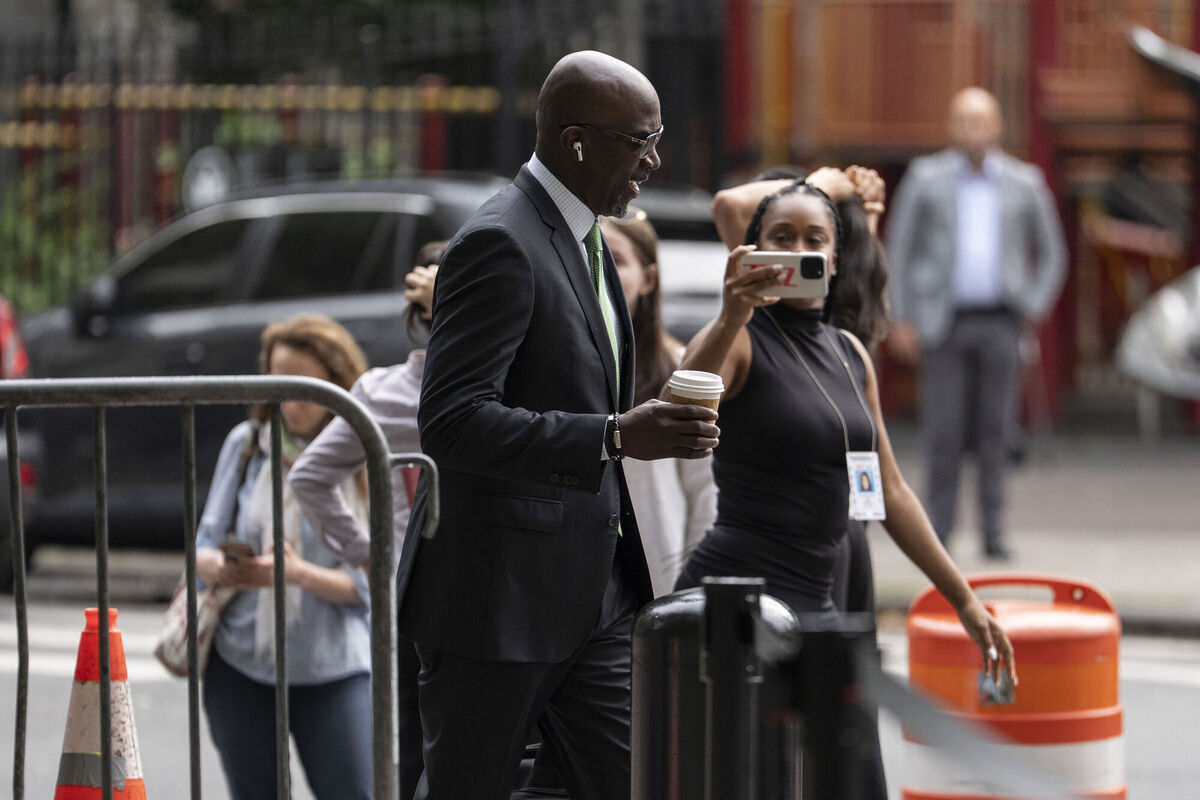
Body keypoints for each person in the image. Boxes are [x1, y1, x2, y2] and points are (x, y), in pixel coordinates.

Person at [398, 50, 720, 800]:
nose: (655, 157)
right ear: (578, 142)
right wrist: (612, 434)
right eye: (641, 138)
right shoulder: (499, 241)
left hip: (595, 597)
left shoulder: (589, 235)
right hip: (496, 600)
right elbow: (451, 421)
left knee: (635, 782)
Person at [672, 176, 1016, 710]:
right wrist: (728, 316)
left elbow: (892, 493)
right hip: (736, 599)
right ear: (756, 249)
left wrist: (964, 601)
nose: (799, 251)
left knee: (840, 772)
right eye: (781, 238)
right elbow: (680, 402)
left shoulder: (849, 352)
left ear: (834, 261)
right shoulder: (741, 336)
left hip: (817, 597)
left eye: (815, 240)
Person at [885, 87, 1067, 559]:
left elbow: (1052, 253)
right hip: (942, 322)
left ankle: (993, 532)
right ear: (951, 127)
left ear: (998, 126)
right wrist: (902, 316)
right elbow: (899, 251)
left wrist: (1034, 302)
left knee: (996, 430)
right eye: (964, 121)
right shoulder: (926, 178)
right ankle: (938, 534)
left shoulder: (1025, 182)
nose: (973, 130)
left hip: (1002, 321)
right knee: (942, 431)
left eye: (981, 121)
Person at [195, 313, 372, 800]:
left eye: (306, 388)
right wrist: (232, 569)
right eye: (281, 385)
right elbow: (202, 548)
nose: (291, 403)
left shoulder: (365, 453)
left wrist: (298, 575)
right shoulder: (249, 443)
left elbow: (378, 582)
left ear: (337, 383)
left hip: (333, 669)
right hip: (241, 664)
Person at [289, 242, 442, 800]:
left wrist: (375, 556)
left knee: (407, 754)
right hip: (481, 593)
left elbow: (309, 478)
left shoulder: (380, 392)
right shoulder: (509, 385)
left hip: (406, 596)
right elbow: (308, 478)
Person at [602, 208, 717, 596]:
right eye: (591, 258)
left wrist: (692, 584)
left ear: (649, 278)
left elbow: (705, 489)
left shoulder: (681, 366)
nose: (601, 272)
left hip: (660, 573)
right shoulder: (559, 362)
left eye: (615, 260)